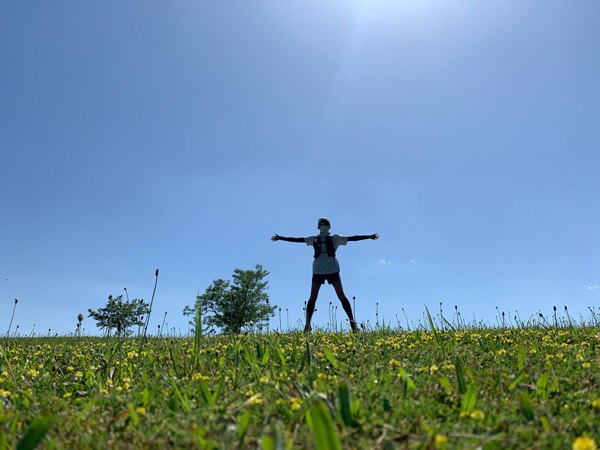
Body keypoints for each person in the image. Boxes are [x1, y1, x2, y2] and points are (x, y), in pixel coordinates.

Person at [271, 217, 379, 332]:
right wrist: (281, 238)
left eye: (326, 223)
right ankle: (307, 325)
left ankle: (352, 322)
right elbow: (298, 240)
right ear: (318, 227)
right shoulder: (313, 239)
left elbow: (352, 238)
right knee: (313, 297)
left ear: (330, 226)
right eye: (322, 224)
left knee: (341, 296)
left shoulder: (335, 238)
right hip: (318, 270)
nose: (324, 225)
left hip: (333, 269)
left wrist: (368, 236)